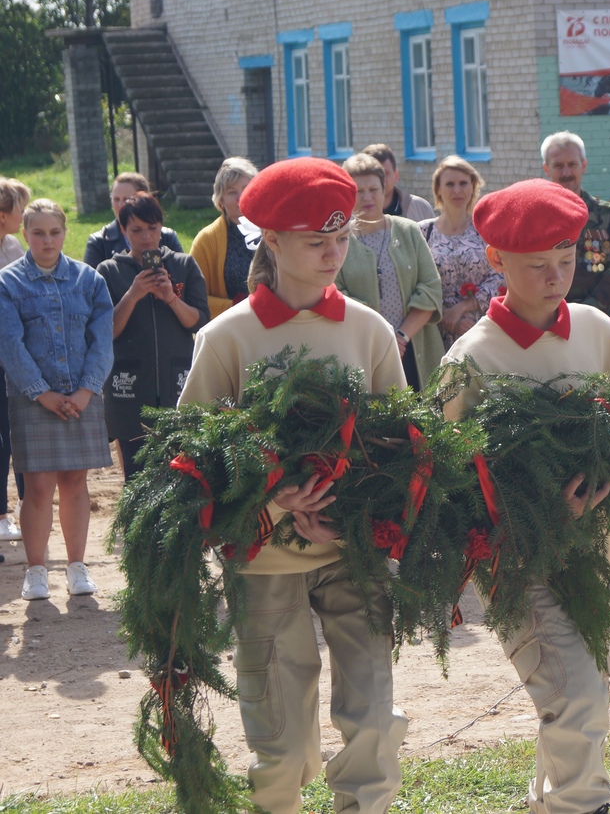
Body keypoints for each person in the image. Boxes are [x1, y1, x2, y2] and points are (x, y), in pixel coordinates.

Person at [178, 157, 408, 813]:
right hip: (263, 559)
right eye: (318, 241)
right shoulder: (228, 337)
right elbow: (191, 453)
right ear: (270, 241)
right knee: (278, 735)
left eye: (343, 239)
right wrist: (264, 493)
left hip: (356, 550)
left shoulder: (368, 330)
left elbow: (404, 444)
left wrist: (358, 509)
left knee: (371, 716)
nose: (335, 253)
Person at [440, 178, 610, 814]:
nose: (556, 277)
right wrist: (531, 512)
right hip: (513, 558)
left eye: (567, 260)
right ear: (496, 261)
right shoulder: (471, 359)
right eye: (537, 266)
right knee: (576, 694)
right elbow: (449, 481)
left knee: (583, 690)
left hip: (592, 553)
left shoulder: (597, 331)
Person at [0, 200, 114, 600]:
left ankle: (77, 566)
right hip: (33, 399)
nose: (47, 240)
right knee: (37, 486)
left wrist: (86, 390)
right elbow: (9, 345)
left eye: (54, 232)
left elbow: (102, 340)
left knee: (76, 482)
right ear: (25, 234)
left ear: (65, 233)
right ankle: (36, 571)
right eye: (37, 233)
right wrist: (41, 393)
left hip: (83, 395)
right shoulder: (7, 283)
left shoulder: (90, 280)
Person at [97, 193, 210, 479]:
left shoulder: (184, 265)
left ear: (162, 228)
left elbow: (200, 323)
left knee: (182, 476)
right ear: (123, 230)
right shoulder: (109, 271)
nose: (146, 237)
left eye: (152, 228)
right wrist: (133, 295)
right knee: (136, 478)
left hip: (178, 384)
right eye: (136, 230)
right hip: (129, 389)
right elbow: (106, 331)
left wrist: (171, 298)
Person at [337, 153, 444, 388]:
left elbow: (430, 287)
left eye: (373, 189)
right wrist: (383, 337)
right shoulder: (338, 240)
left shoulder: (408, 230)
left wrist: (401, 337)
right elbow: (338, 297)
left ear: (384, 188)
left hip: (415, 347)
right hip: (366, 350)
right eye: (358, 191)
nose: (367, 197)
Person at [541, 131, 610, 315]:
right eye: (558, 165)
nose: (566, 173)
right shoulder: (535, 218)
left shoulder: (609, 217)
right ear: (546, 168)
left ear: (584, 165)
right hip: (545, 319)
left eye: (572, 164)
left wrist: (585, 312)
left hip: (595, 319)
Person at [419, 156, 500, 349]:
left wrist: (461, 309)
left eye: (463, 183)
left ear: (473, 187)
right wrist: (446, 314)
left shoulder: (484, 230)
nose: (457, 190)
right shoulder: (422, 232)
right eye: (449, 184)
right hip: (438, 330)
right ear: (438, 189)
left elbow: (500, 277)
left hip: (482, 327)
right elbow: (417, 281)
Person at [0, 178, 32, 548]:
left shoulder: (12, 245)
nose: (22, 215)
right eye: (18, 210)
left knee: (16, 436)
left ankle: (26, 509)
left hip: (15, 354)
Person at [190, 157, 259, 318]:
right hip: (231, 328)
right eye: (232, 192)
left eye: (246, 188)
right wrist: (235, 306)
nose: (240, 197)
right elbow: (193, 295)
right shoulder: (206, 240)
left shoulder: (275, 231)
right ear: (221, 199)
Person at [84, 172, 183, 268]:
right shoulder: (99, 242)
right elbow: (90, 283)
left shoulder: (167, 237)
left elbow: (182, 274)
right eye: (116, 199)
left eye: (127, 200)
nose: (120, 205)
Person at [361, 143, 433, 222]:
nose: (379, 180)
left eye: (385, 173)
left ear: (396, 175)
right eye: (373, 175)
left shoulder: (420, 208)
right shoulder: (351, 215)